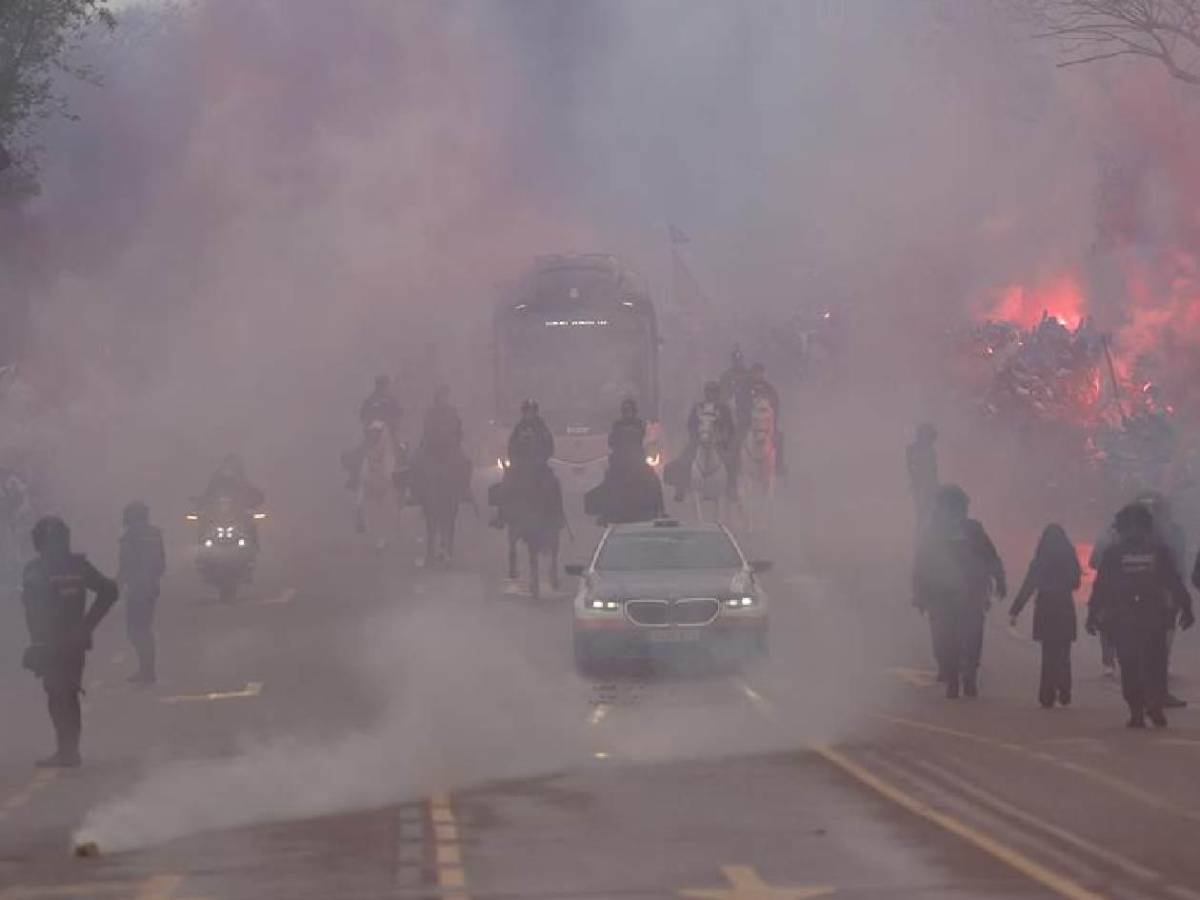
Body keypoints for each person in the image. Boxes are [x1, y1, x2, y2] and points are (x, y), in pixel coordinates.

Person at [21, 516, 118, 767]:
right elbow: (109, 591)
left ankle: (68, 751)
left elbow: (32, 611)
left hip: (56, 643)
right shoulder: (77, 566)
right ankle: (68, 750)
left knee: (59, 695)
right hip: (66, 643)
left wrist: (85, 626)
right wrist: (85, 627)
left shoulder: (37, 569)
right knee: (65, 694)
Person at [1088, 503, 1194, 728]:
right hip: (1151, 617)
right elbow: (1173, 582)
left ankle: (1138, 710)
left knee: (1130, 665)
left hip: (1126, 619)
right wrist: (1186, 607)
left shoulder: (1115, 553)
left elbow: (1101, 587)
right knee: (1153, 663)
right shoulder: (1158, 551)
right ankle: (1152, 705)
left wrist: (1093, 613)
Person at [912, 485, 1006, 699]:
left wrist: (999, 580)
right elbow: (922, 566)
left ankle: (968, 676)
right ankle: (953, 678)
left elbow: (990, 557)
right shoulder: (932, 533)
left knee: (970, 636)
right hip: (943, 597)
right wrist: (920, 594)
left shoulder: (973, 530)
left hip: (970, 595)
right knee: (946, 638)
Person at [1009, 524, 1081, 708]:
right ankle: (1064, 689)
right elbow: (1076, 583)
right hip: (1064, 606)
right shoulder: (1069, 558)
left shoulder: (1039, 560)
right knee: (1064, 653)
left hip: (1045, 607)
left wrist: (1015, 609)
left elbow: (1028, 586)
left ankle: (1047, 694)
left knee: (1048, 654)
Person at [118, 502, 166, 685]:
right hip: (151, 587)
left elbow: (126, 565)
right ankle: (147, 670)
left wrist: (117, 586)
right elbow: (161, 563)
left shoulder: (131, 537)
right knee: (144, 630)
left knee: (136, 631)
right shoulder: (154, 534)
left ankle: (147, 671)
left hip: (138, 589)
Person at [747, 362, 786, 476]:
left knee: (779, 438)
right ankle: (735, 469)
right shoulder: (745, 388)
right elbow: (741, 405)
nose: (758, 375)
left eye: (760, 373)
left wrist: (771, 422)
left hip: (765, 424)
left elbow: (776, 406)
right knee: (737, 440)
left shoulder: (770, 389)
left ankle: (778, 465)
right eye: (755, 373)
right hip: (748, 424)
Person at [199, 454, 266, 513]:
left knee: (251, 524)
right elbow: (208, 494)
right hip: (216, 516)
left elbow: (254, 494)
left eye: (232, 466)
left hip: (239, 515)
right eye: (228, 465)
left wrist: (254, 501)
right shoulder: (216, 482)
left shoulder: (242, 482)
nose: (229, 469)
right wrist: (201, 504)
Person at [906, 423, 939, 531]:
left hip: (929, 484)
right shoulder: (913, 450)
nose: (931, 441)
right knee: (922, 511)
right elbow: (911, 467)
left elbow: (934, 470)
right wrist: (916, 481)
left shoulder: (931, 451)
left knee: (928, 510)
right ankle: (922, 533)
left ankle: (926, 531)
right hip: (920, 484)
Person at [608, 398, 647, 469]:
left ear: (634, 411)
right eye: (625, 410)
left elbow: (641, 437)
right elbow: (611, 442)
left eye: (629, 410)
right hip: (619, 461)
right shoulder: (617, 424)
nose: (627, 413)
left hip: (637, 461)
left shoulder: (639, 424)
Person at [719, 348, 752, 430]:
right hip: (730, 402)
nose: (737, 362)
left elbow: (751, 389)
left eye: (739, 359)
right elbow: (722, 389)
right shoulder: (726, 375)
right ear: (732, 360)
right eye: (735, 359)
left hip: (745, 403)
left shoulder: (748, 374)